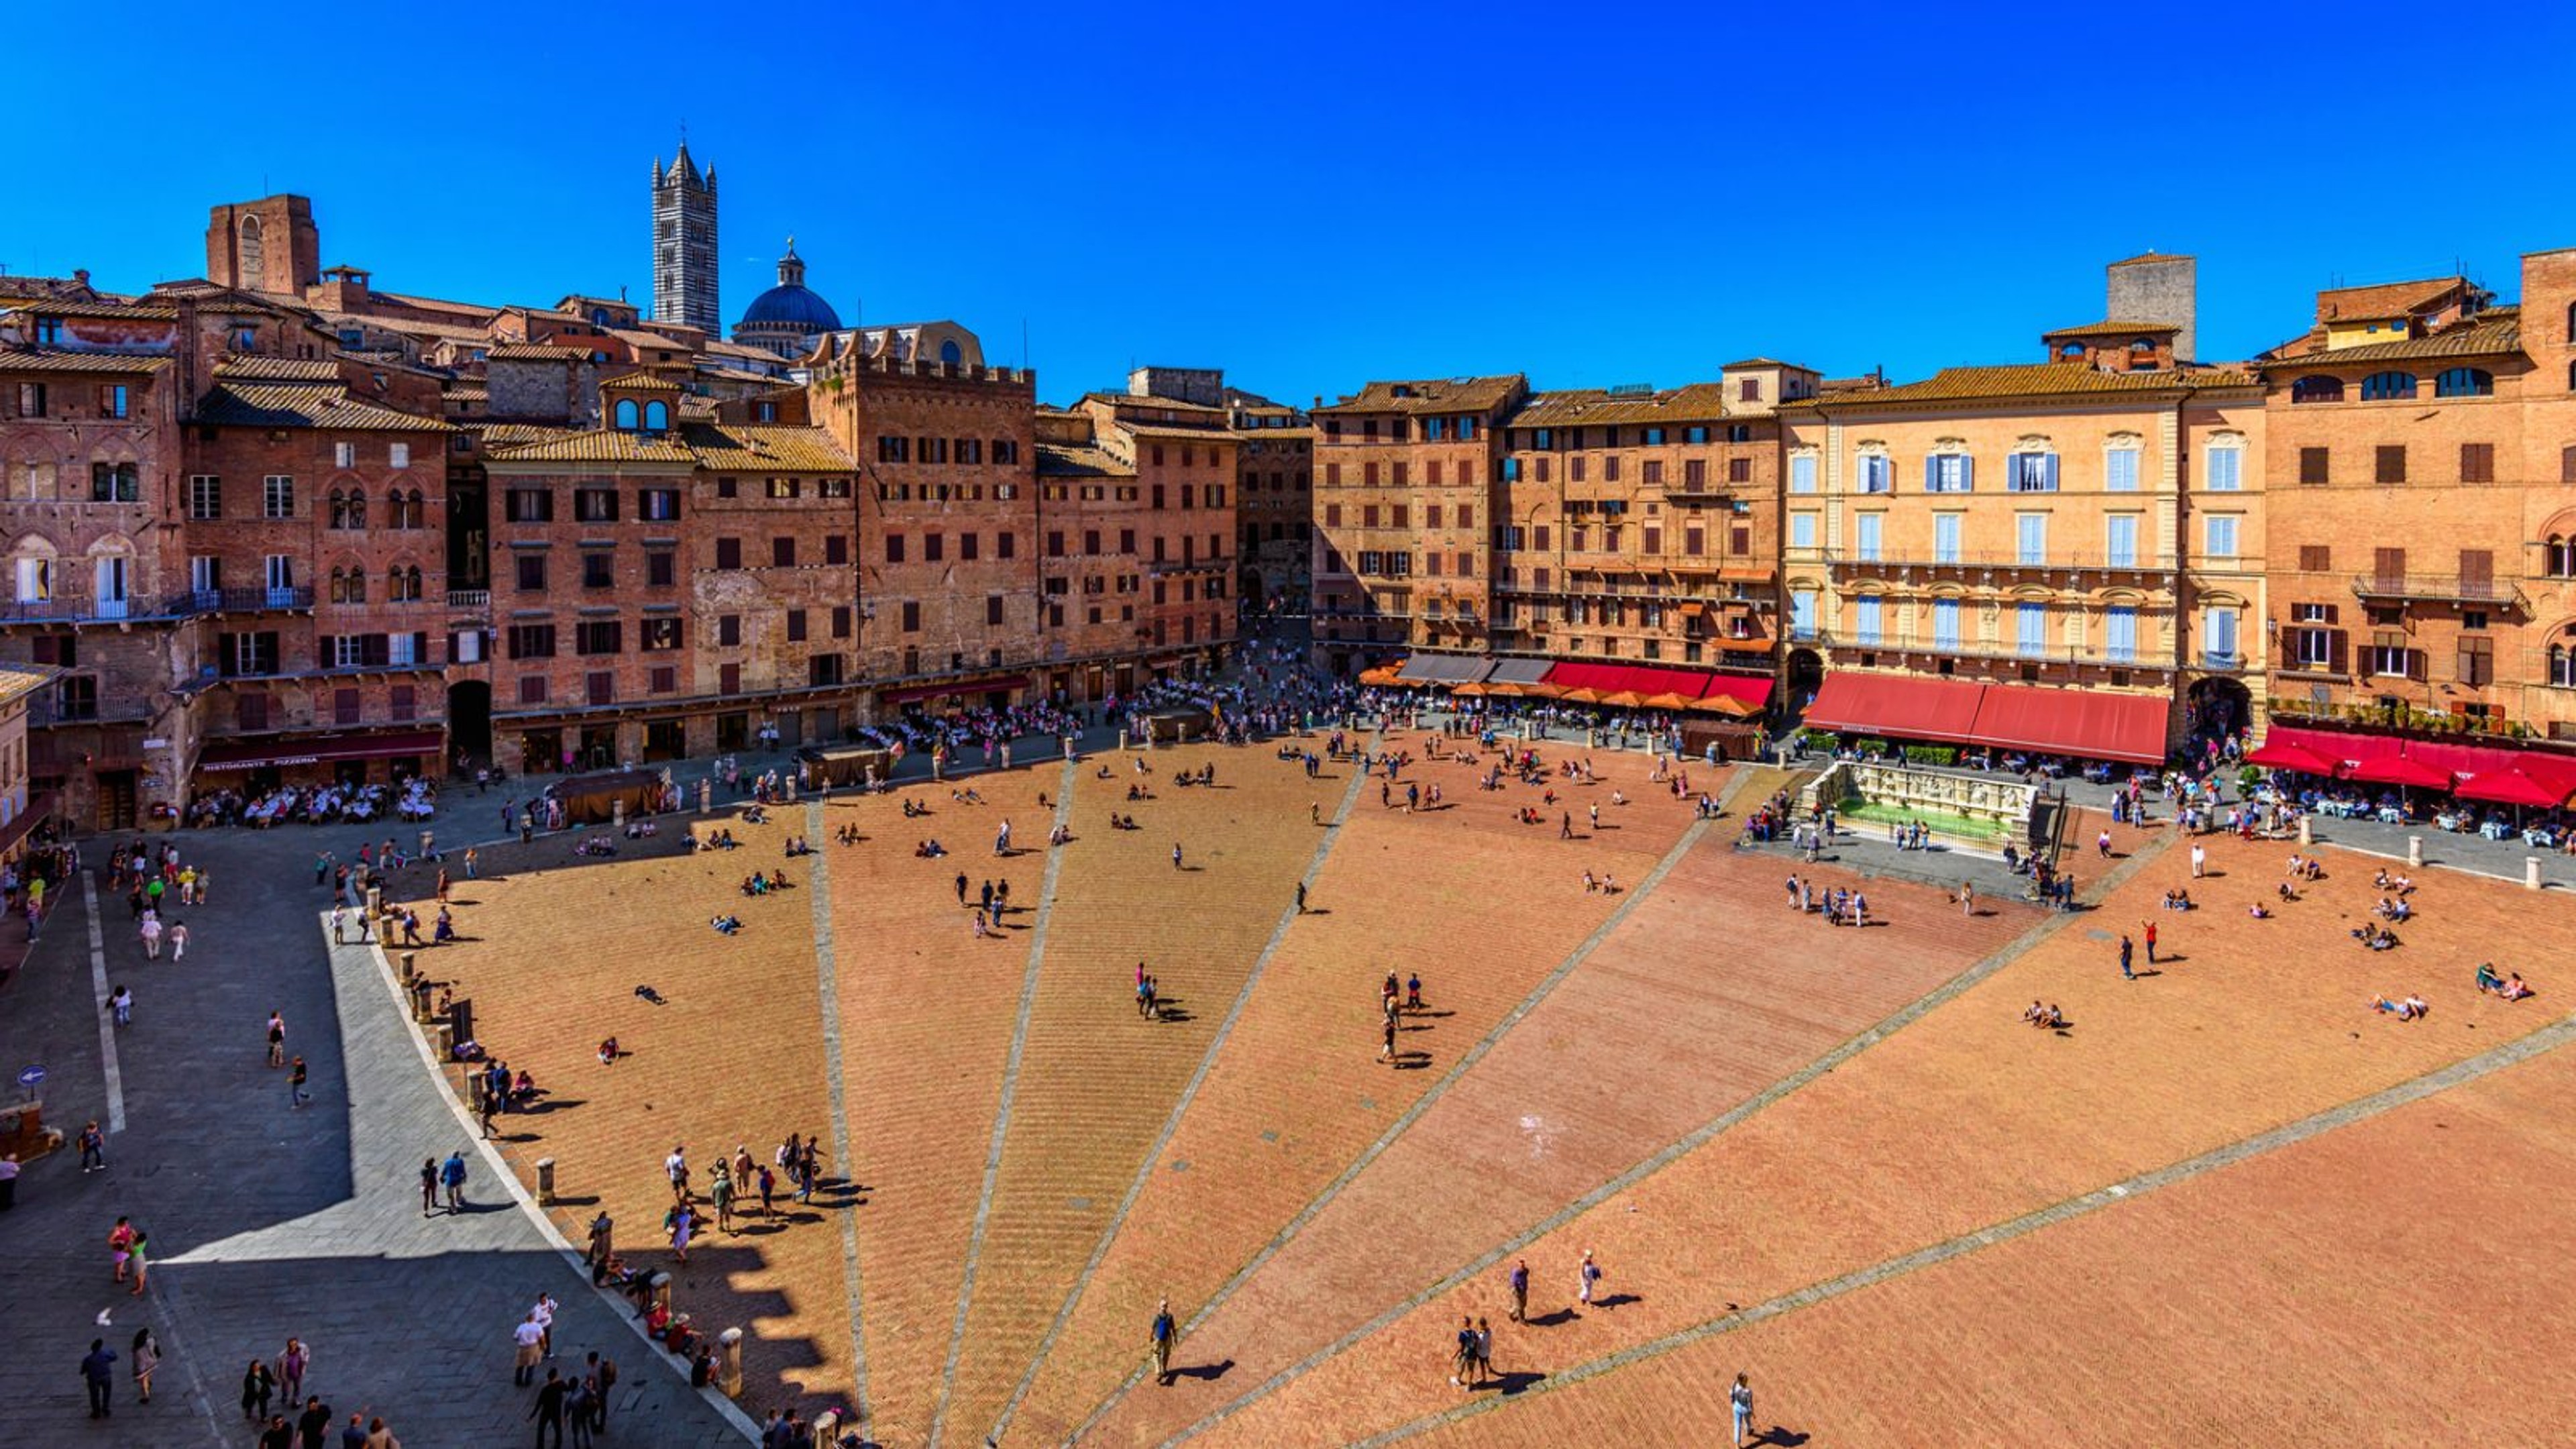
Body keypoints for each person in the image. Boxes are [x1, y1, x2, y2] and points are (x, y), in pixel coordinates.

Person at [81, 1338, 117, 1419]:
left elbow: (82, 1371)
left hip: (94, 1380)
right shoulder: (105, 1354)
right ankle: (105, 1408)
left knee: (94, 1396)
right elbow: (114, 1357)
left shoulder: (88, 1359)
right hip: (106, 1377)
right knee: (106, 1393)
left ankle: (96, 1412)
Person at [1148, 1299, 1177, 1386]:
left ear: (1160, 1306)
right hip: (1167, 1338)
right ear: (1167, 1307)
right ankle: (1164, 1370)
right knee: (1166, 1354)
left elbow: (1152, 1329)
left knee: (1156, 1354)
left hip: (1158, 1339)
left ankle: (1158, 1371)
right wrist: (1175, 1338)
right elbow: (1173, 1329)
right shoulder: (1170, 1317)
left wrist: (1150, 1338)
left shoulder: (1156, 1317)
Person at [242, 1357, 276, 1421]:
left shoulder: (264, 1369)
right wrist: (251, 1393)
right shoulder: (249, 1377)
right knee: (250, 1403)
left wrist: (273, 1382)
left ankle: (264, 1417)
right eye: (255, 1366)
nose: (257, 1367)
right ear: (252, 1367)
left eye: (258, 1365)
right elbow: (247, 1387)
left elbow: (269, 1377)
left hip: (263, 1392)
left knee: (263, 1404)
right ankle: (249, 1411)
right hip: (253, 1393)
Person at [1730, 1373, 1755, 1448]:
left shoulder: (1735, 1385)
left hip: (1736, 1407)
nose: (1747, 1380)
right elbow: (1750, 1403)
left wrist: (1733, 1401)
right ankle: (1748, 1430)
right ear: (1744, 1381)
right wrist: (1752, 1412)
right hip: (1745, 1409)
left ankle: (1737, 1446)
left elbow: (1731, 1394)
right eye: (1746, 1380)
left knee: (1737, 1425)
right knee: (1747, 1420)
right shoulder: (1748, 1391)